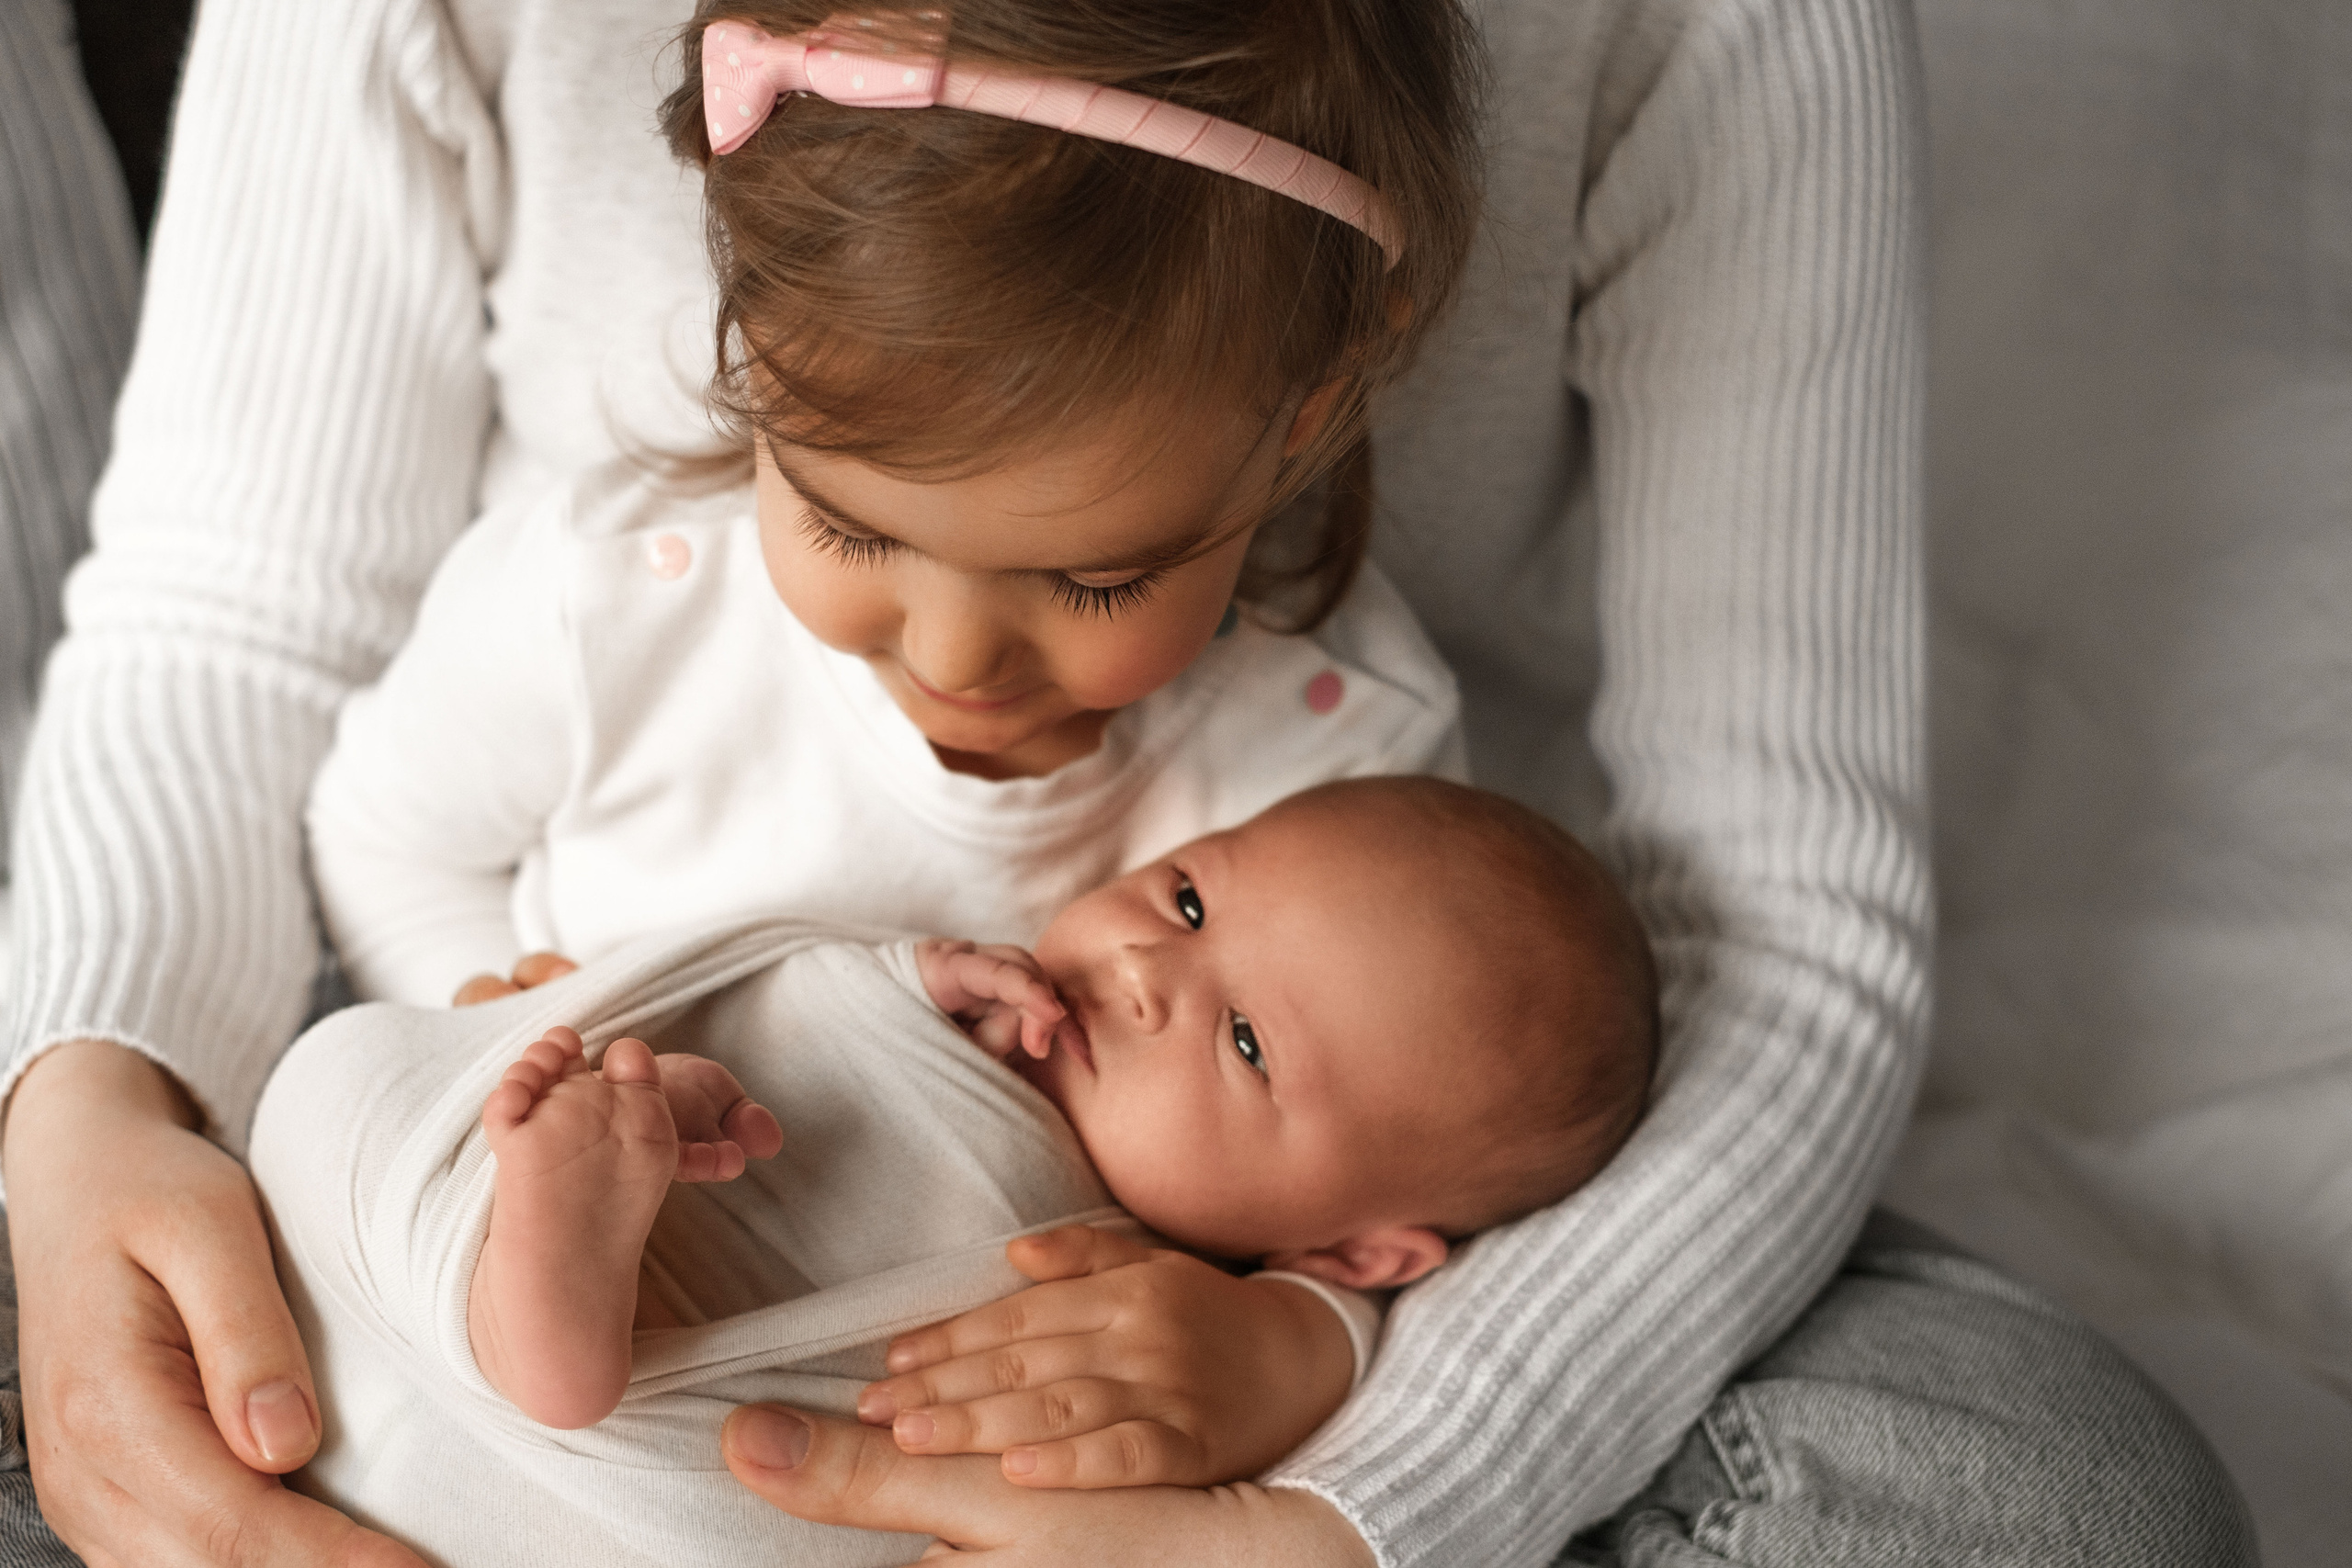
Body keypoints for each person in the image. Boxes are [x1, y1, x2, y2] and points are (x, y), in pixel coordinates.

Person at [0, 4, 2255, 1568]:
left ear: (1303, 431)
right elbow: (242, 632)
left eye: (1092, 571)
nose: (959, 661)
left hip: (1287, 1173)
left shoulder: (1327, 736)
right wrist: (94, 1110)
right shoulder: (623, 592)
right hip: (577, 1099)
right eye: (854, 523)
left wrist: (1339, 1444)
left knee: (2054, 1503)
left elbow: (1759, 906)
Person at [251, 779, 1655, 1566]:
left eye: (1243, 1041)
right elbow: (779, 986)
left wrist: (1307, 1347)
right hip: (351, 1268)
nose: (1148, 972)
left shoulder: (1178, 1324)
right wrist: (909, 979)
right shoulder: (993, 991)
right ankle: (558, 1231)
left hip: (597, 1479)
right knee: (528, 1094)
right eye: (1187, 895)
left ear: (1358, 1248)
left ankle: (552, 1299)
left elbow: (1300, 1382)